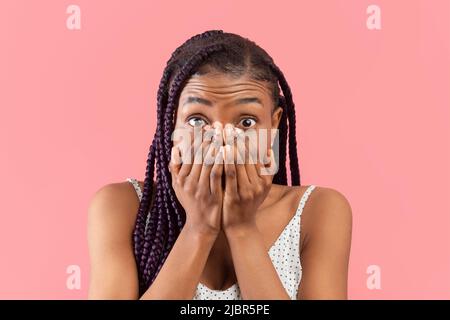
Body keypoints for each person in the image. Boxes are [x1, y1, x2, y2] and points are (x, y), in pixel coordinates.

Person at [87, 30, 352, 300]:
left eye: (246, 122)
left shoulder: (318, 211)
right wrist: (199, 227)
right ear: (170, 123)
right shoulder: (122, 207)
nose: (223, 140)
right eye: (197, 121)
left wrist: (242, 228)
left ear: (273, 125)